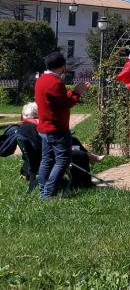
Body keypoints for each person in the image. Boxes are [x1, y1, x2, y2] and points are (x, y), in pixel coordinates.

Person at [34, 51, 90, 199]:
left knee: (46, 160)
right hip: (56, 129)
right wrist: (77, 92)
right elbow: (65, 104)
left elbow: (56, 102)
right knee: (63, 160)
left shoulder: (41, 79)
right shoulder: (55, 83)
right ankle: (48, 193)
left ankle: (43, 190)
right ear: (62, 66)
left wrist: (71, 92)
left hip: (44, 128)